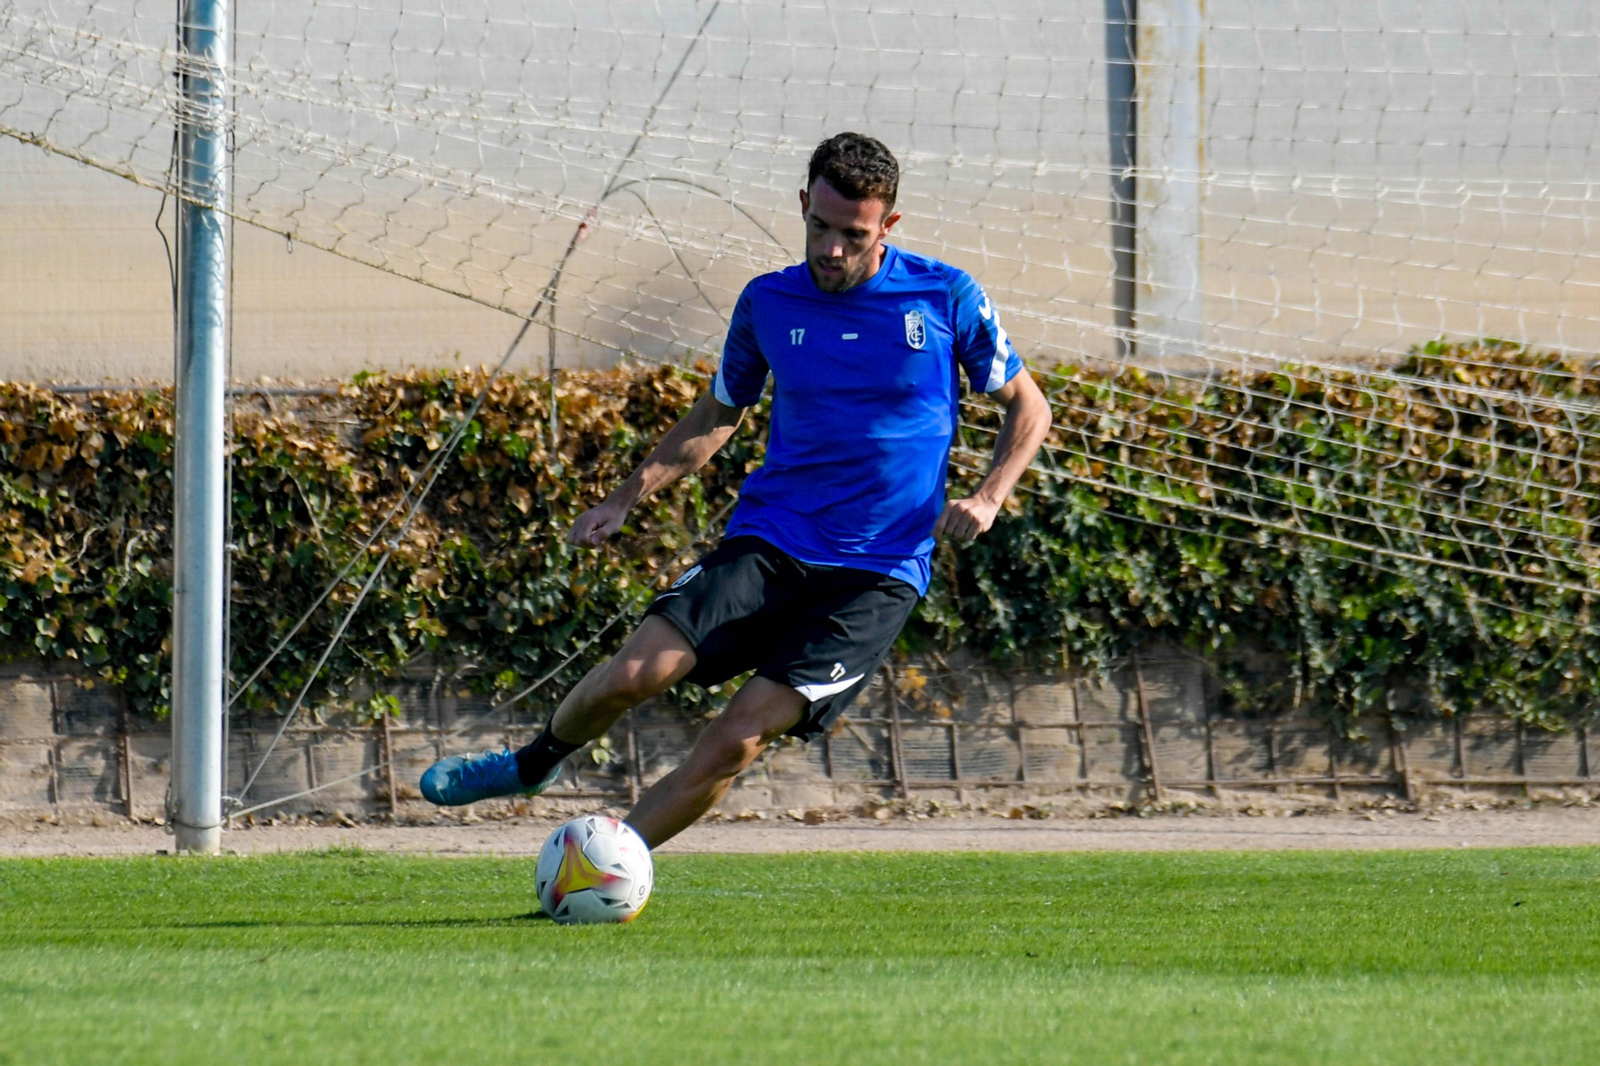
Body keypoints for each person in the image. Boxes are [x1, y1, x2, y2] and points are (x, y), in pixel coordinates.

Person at [419, 132, 1051, 848]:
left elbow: (1030, 407)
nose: (832, 250)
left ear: (888, 228)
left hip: (875, 577)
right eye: (819, 227)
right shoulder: (768, 303)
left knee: (734, 739)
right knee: (635, 672)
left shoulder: (945, 296)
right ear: (803, 206)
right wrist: (624, 497)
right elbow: (718, 414)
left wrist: (990, 495)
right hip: (771, 540)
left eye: (853, 234)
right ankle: (532, 765)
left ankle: (602, 867)